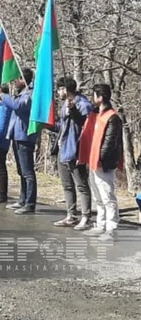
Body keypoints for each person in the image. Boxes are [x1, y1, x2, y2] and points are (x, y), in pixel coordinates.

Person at [79, 84, 123, 241]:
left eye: (94, 95)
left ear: (100, 97)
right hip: (93, 161)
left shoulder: (112, 117)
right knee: (98, 196)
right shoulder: (95, 115)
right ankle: (100, 224)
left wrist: (100, 159)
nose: (92, 98)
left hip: (103, 163)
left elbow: (110, 143)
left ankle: (111, 228)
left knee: (107, 196)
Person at [51, 77, 94, 229]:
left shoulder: (83, 104)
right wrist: (48, 125)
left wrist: (73, 110)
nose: (58, 92)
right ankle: (71, 215)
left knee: (81, 184)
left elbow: (84, 124)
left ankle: (86, 217)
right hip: (63, 149)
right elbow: (62, 127)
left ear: (65, 89)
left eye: (60, 89)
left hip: (76, 150)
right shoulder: (64, 105)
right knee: (67, 185)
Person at [0, 68, 37, 215]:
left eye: (17, 80)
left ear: (23, 80)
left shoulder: (29, 94)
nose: (15, 83)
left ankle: (30, 202)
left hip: (25, 136)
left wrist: (3, 96)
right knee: (21, 171)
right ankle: (22, 198)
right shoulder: (21, 94)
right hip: (16, 135)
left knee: (28, 172)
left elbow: (18, 106)